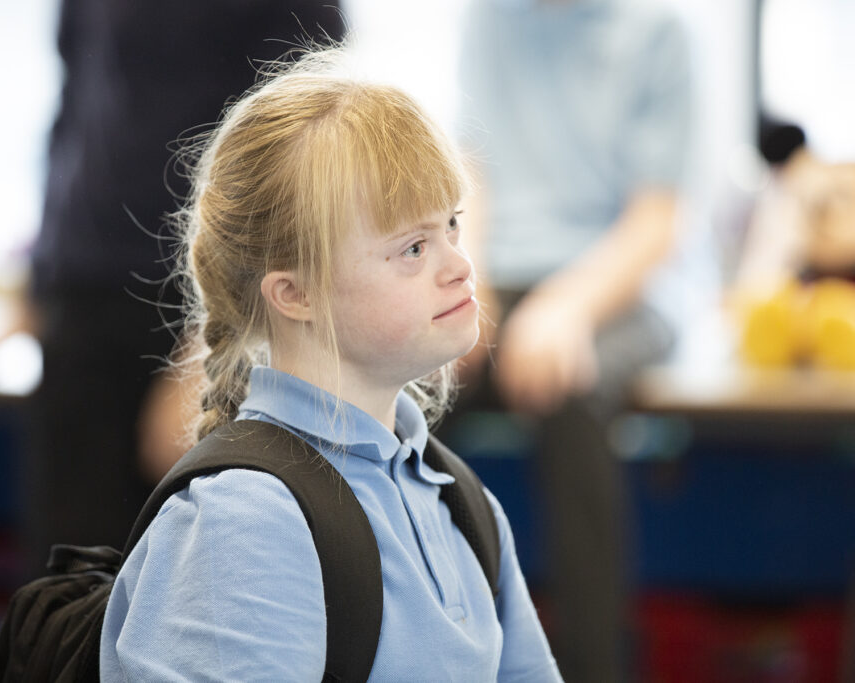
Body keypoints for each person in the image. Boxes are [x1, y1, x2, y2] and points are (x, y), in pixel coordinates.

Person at [98, 47, 562, 681]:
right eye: (414, 247)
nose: (459, 265)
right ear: (296, 293)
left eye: (452, 225)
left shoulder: (465, 506)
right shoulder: (242, 523)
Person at [22, 0, 346, 576]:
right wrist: (33, 285)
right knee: (68, 574)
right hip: (84, 293)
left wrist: (215, 342)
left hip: (203, 307)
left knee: (193, 578)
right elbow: (74, 107)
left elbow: (295, 151)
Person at [446, 0, 697, 680]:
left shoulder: (658, 33)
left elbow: (655, 222)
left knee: (570, 388)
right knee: (407, 394)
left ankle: (591, 665)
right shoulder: (490, 20)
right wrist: (463, 283)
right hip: (502, 280)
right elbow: (472, 174)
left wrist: (567, 308)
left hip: (617, 290)